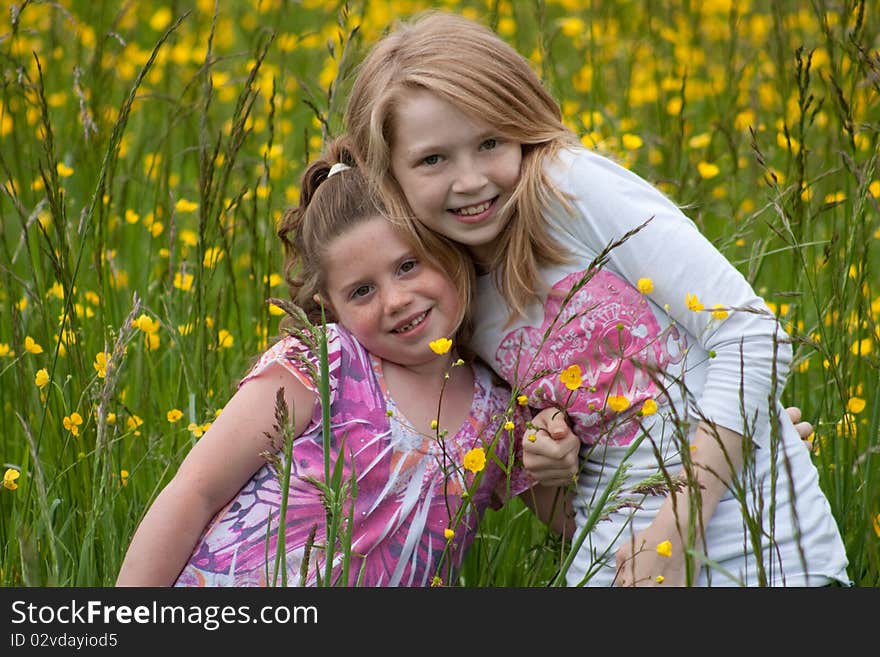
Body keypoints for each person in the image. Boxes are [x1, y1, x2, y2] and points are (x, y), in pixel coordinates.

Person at [342, 10, 850, 587]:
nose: (470, 180)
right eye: (433, 159)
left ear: (525, 125)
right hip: (611, 568)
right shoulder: (442, 291)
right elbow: (547, 490)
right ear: (389, 176)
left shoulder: (568, 190)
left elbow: (749, 334)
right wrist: (549, 463)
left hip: (766, 557)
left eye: (490, 142)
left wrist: (673, 535)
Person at [115, 139, 579, 588]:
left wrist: (555, 455)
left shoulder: (499, 411)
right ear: (330, 304)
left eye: (408, 266)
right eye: (362, 291)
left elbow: (576, 525)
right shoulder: (323, 364)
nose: (396, 300)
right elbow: (195, 493)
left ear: (449, 248)